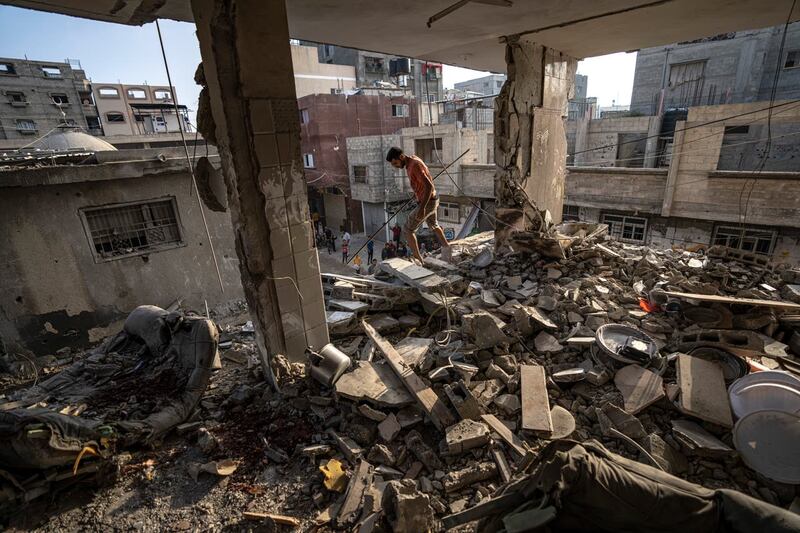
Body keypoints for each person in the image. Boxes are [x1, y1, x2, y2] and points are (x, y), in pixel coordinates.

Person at [386, 146, 450, 264]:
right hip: (432, 199)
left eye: (396, 163)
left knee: (408, 229)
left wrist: (422, 208)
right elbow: (422, 184)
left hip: (427, 202)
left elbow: (429, 186)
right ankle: (447, 248)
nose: (396, 166)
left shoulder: (414, 165)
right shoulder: (413, 160)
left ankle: (419, 261)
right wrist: (417, 192)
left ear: (401, 157)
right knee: (434, 225)